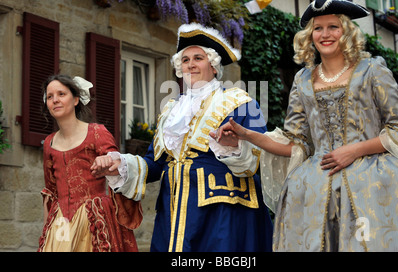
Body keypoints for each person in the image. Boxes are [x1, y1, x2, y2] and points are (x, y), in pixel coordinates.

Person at [215, 0, 398, 251]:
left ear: (347, 31)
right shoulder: (303, 80)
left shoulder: (373, 70)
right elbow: (296, 143)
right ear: (310, 35)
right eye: (318, 28)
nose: (325, 34)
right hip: (315, 188)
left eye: (333, 27)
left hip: (374, 182)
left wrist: (354, 150)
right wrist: (245, 134)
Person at [91, 23, 273, 252]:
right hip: (174, 210)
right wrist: (121, 165)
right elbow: (155, 164)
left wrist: (234, 147)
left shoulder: (242, 103)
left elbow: (259, 159)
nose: (190, 64)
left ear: (214, 66)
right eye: (185, 60)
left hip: (221, 211)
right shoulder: (171, 111)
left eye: (198, 58)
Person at [38, 74, 142, 252]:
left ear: (76, 99)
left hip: (96, 219)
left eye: (61, 94)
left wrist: (108, 159)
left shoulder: (97, 132)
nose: (55, 100)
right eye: (50, 96)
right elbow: (51, 191)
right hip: (61, 223)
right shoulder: (49, 143)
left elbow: (118, 163)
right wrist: (47, 231)